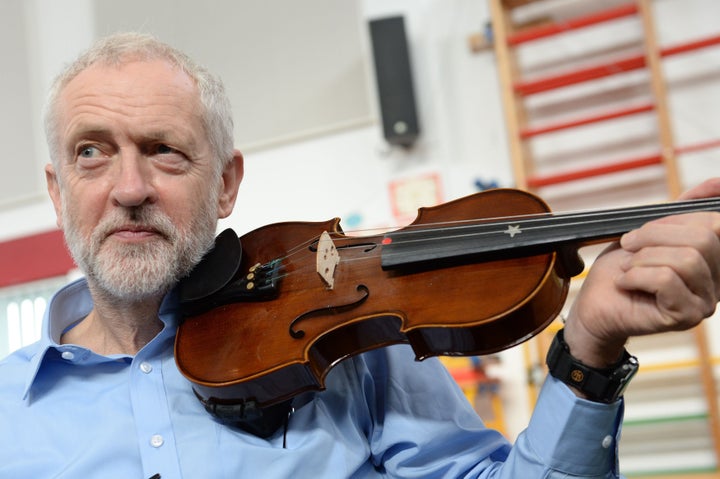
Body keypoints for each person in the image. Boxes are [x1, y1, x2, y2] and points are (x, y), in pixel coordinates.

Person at [1, 32, 719, 479]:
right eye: (92, 152)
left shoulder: (348, 353)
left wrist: (589, 351)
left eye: (163, 150)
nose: (129, 188)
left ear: (224, 183)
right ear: (58, 191)